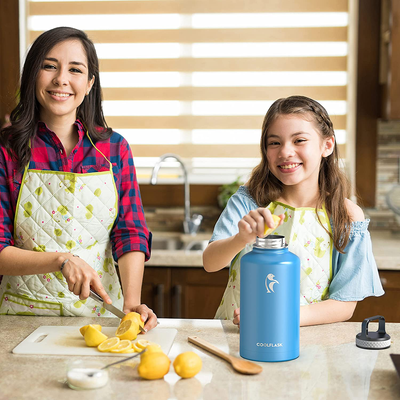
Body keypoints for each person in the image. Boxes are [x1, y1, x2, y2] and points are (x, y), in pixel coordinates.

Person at [0, 27, 157, 331]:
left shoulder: (114, 149)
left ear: (89, 83)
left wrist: (131, 304)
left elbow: (130, 231)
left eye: (75, 69)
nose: (61, 79)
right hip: (19, 319)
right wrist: (61, 260)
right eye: (49, 66)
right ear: (33, 74)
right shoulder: (8, 150)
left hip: (98, 317)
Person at [203, 95, 384, 326]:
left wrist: (276, 316)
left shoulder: (346, 215)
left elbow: (344, 304)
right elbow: (210, 262)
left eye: (299, 140)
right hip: (237, 337)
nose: (285, 152)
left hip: (310, 345)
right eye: (274, 142)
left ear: (327, 145)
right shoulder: (249, 200)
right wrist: (242, 238)